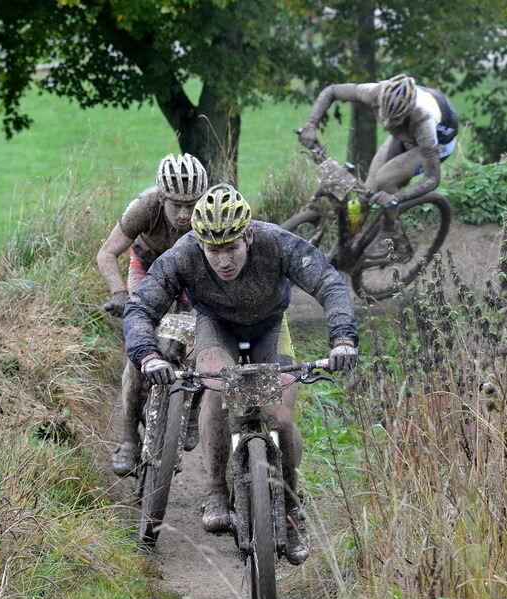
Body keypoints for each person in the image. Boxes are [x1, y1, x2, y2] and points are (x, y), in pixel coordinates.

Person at [122, 183, 358, 565]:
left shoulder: (276, 241)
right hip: (216, 327)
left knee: (279, 417)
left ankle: (291, 508)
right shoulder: (184, 254)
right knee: (217, 386)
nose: (223, 259)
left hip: (268, 327)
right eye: (213, 250)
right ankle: (216, 488)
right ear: (200, 245)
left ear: (248, 236)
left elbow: (329, 283)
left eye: (231, 247)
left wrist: (343, 338)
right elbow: (141, 307)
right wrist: (148, 355)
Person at [98, 153, 209, 477]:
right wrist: (120, 294)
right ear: (162, 197)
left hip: (192, 274)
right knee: (138, 355)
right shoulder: (144, 207)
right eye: (177, 205)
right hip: (148, 270)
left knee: (206, 338)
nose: (186, 213)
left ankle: (191, 411)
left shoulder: (209, 209)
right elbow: (106, 253)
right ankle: (128, 439)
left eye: (193, 203)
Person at [297, 73, 458, 251]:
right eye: (385, 115)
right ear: (380, 101)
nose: (387, 125)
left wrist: (396, 197)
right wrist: (311, 125)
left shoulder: (423, 121)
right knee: (365, 194)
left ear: (408, 113)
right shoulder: (374, 91)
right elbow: (332, 91)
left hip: (436, 144)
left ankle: (391, 229)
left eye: (395, 119)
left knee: (386, 179)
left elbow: (432, 179)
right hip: (404, 135)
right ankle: (348, 246)